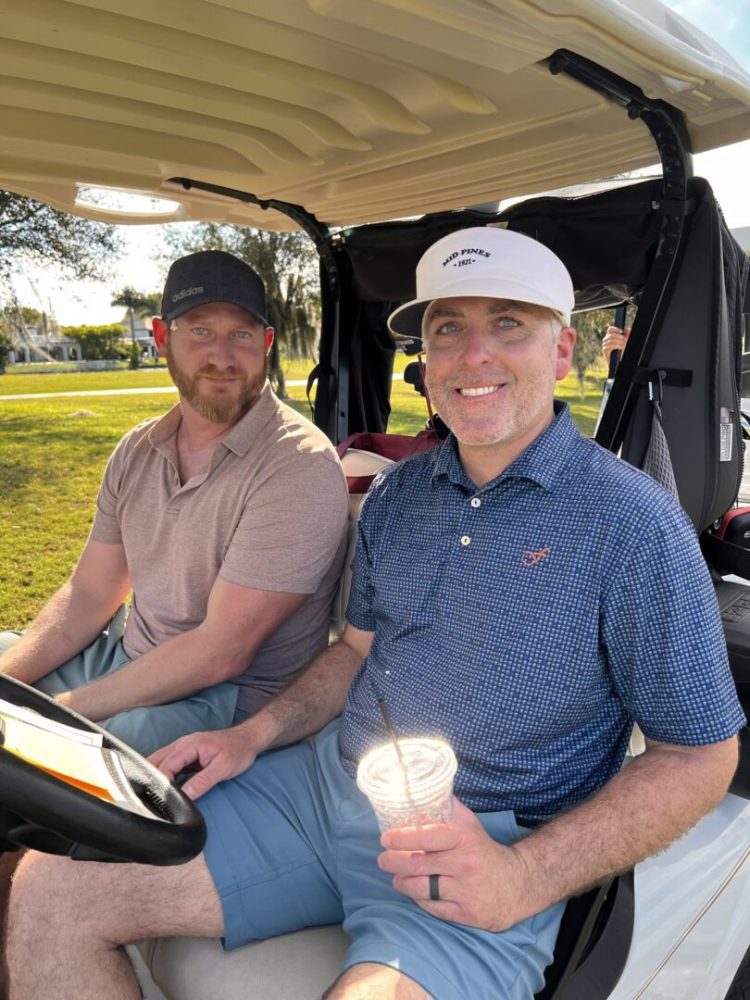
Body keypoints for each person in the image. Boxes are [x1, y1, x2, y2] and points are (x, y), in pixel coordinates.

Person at [7, 229, 744, 1000]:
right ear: (424, 361)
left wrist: (525, 875)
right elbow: (355, 653)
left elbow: (699, 756)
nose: (474, 355)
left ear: (563, 352)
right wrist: (250, 734)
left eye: (508, 324)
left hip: (477, 843)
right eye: (448, 328)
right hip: (320, 790)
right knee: (50, 890)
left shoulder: (630, 523)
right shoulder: (401, 496)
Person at [0, 249, 349, 756]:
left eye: (243, 335)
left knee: (40, 760)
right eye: (200, 331)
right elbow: (91, 594)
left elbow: (220, 653)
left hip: (220, 702)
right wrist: (9, 684)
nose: (222, 357)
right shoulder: (138, 449)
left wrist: (52, 713)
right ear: (162, 337)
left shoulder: (297, 465)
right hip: (126, 659)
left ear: (267, 345)